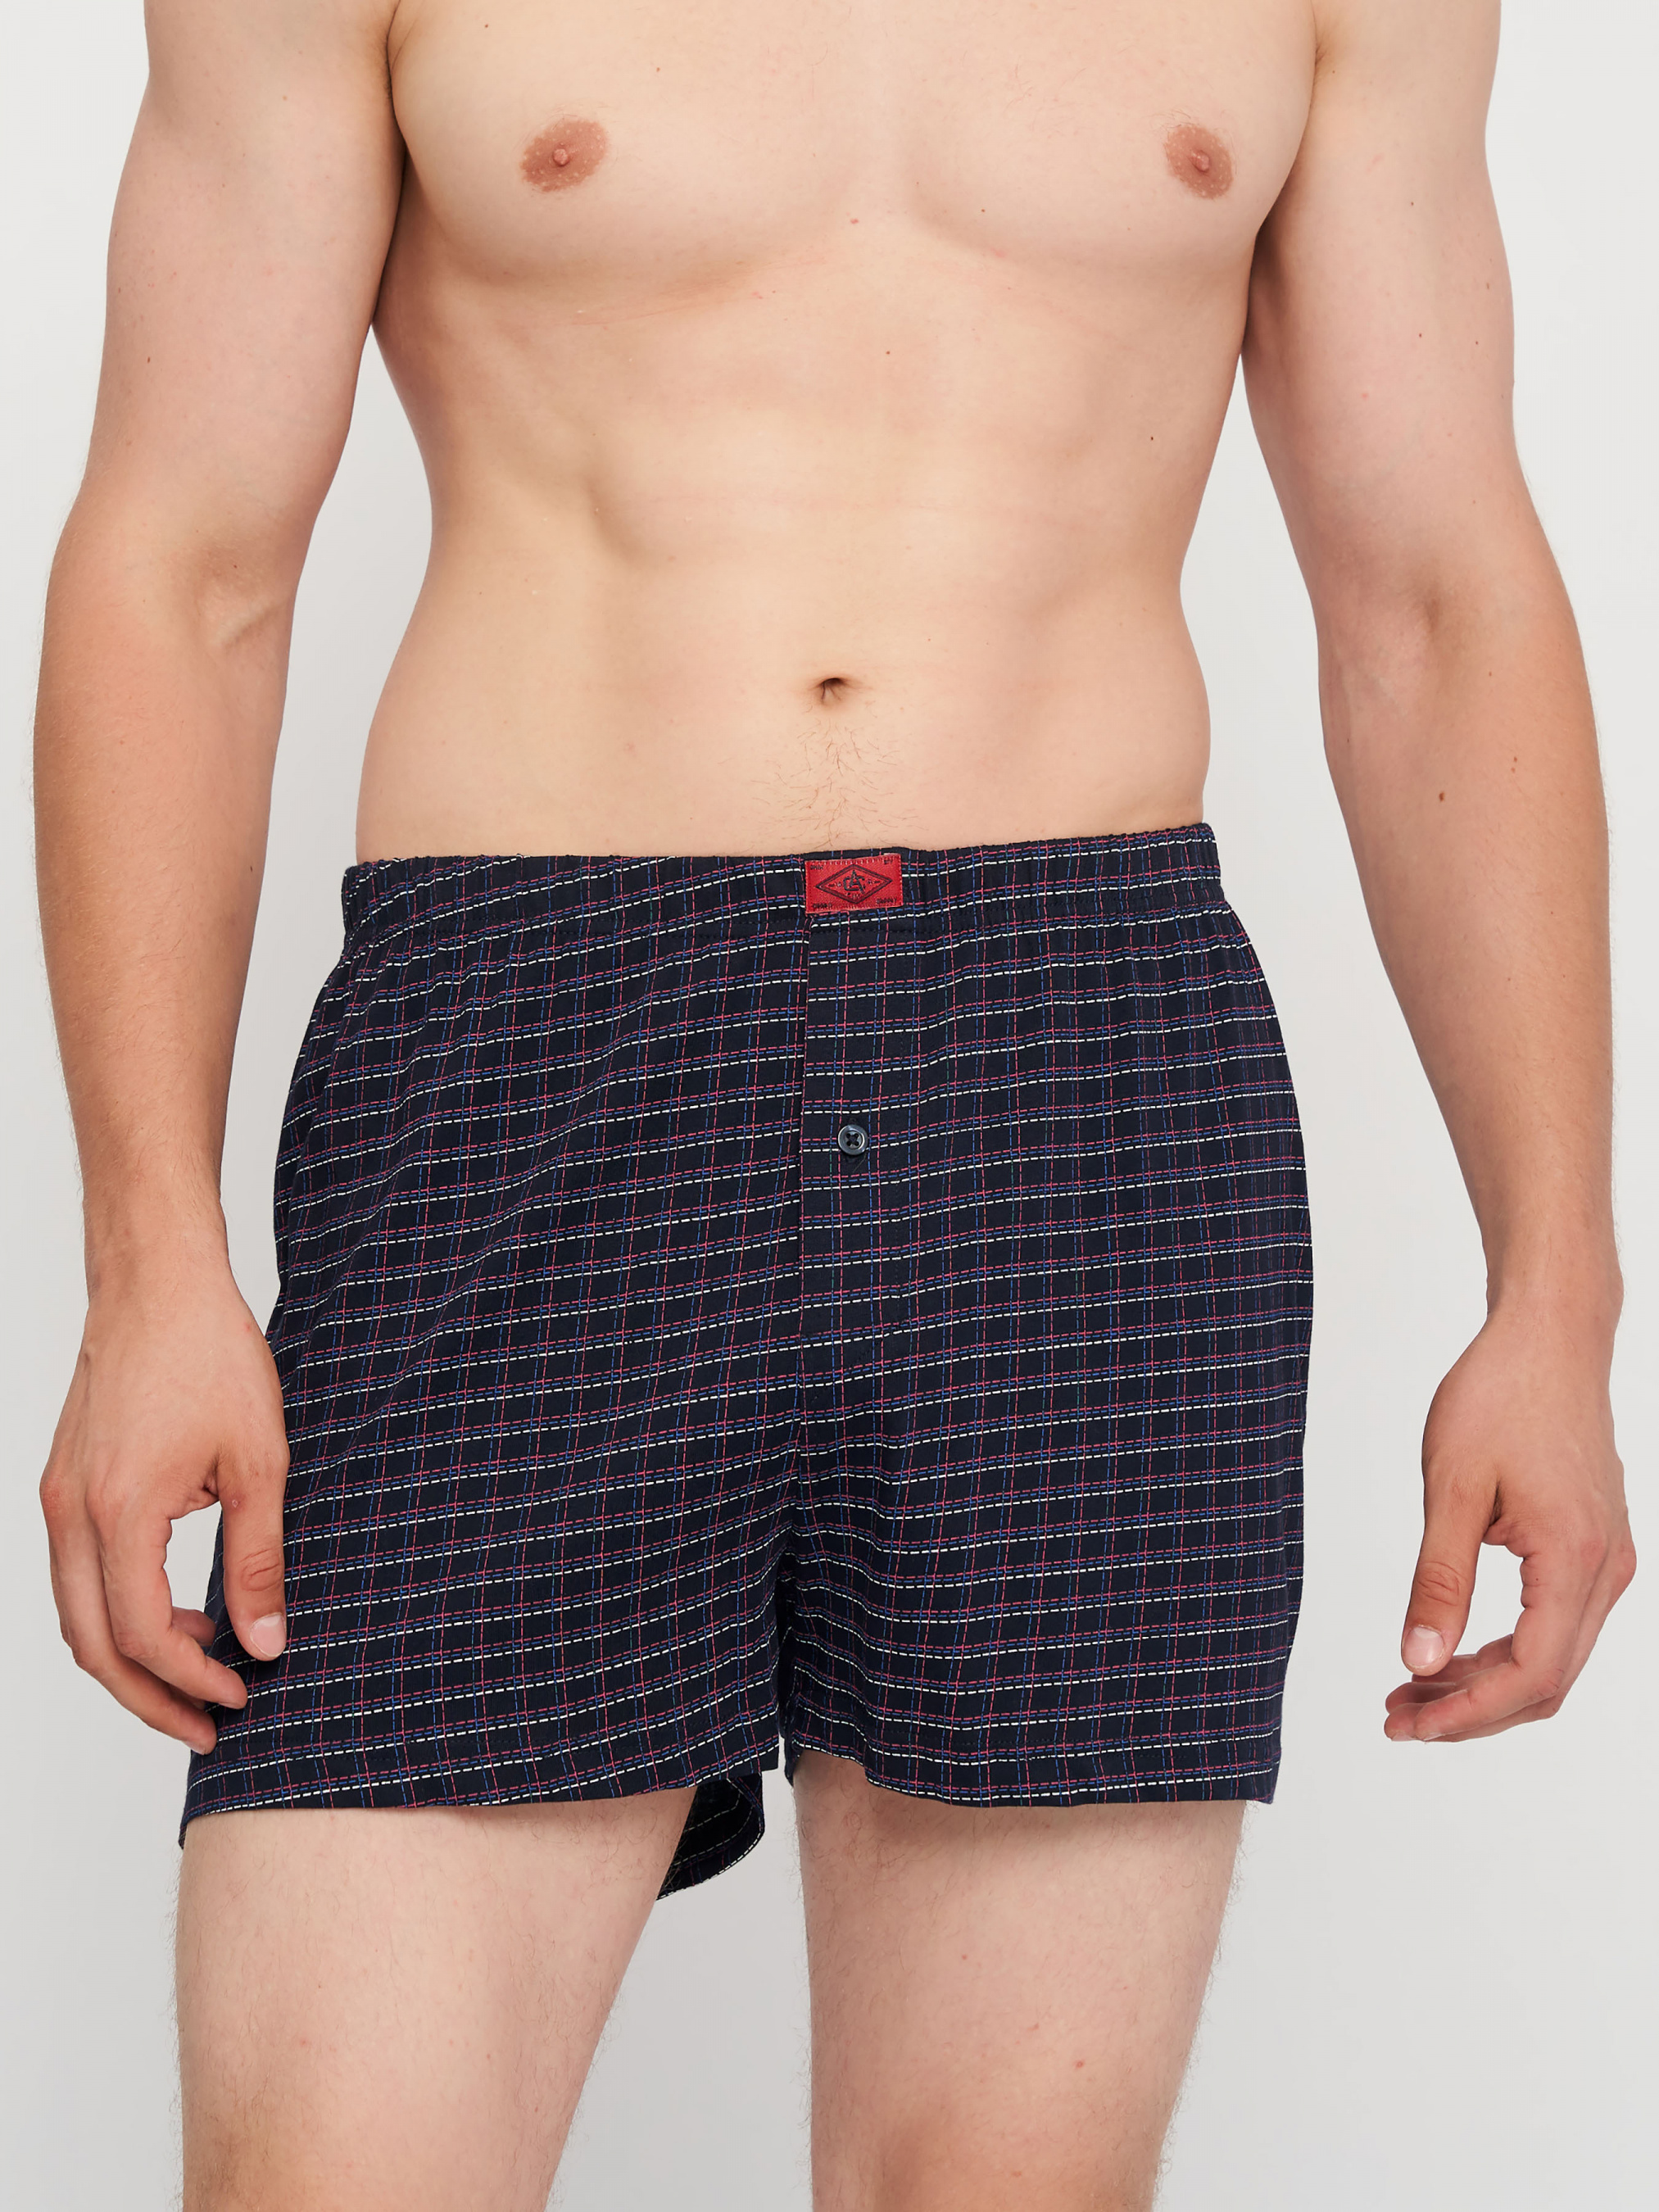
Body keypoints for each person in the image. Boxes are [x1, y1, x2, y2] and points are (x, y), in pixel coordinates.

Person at [34, 1, 1634, 2206]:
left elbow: (1436, 597)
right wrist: (149, 1258)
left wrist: (1557, 1285)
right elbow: (181, 560)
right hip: (523, 1048)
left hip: (1079, 1074)